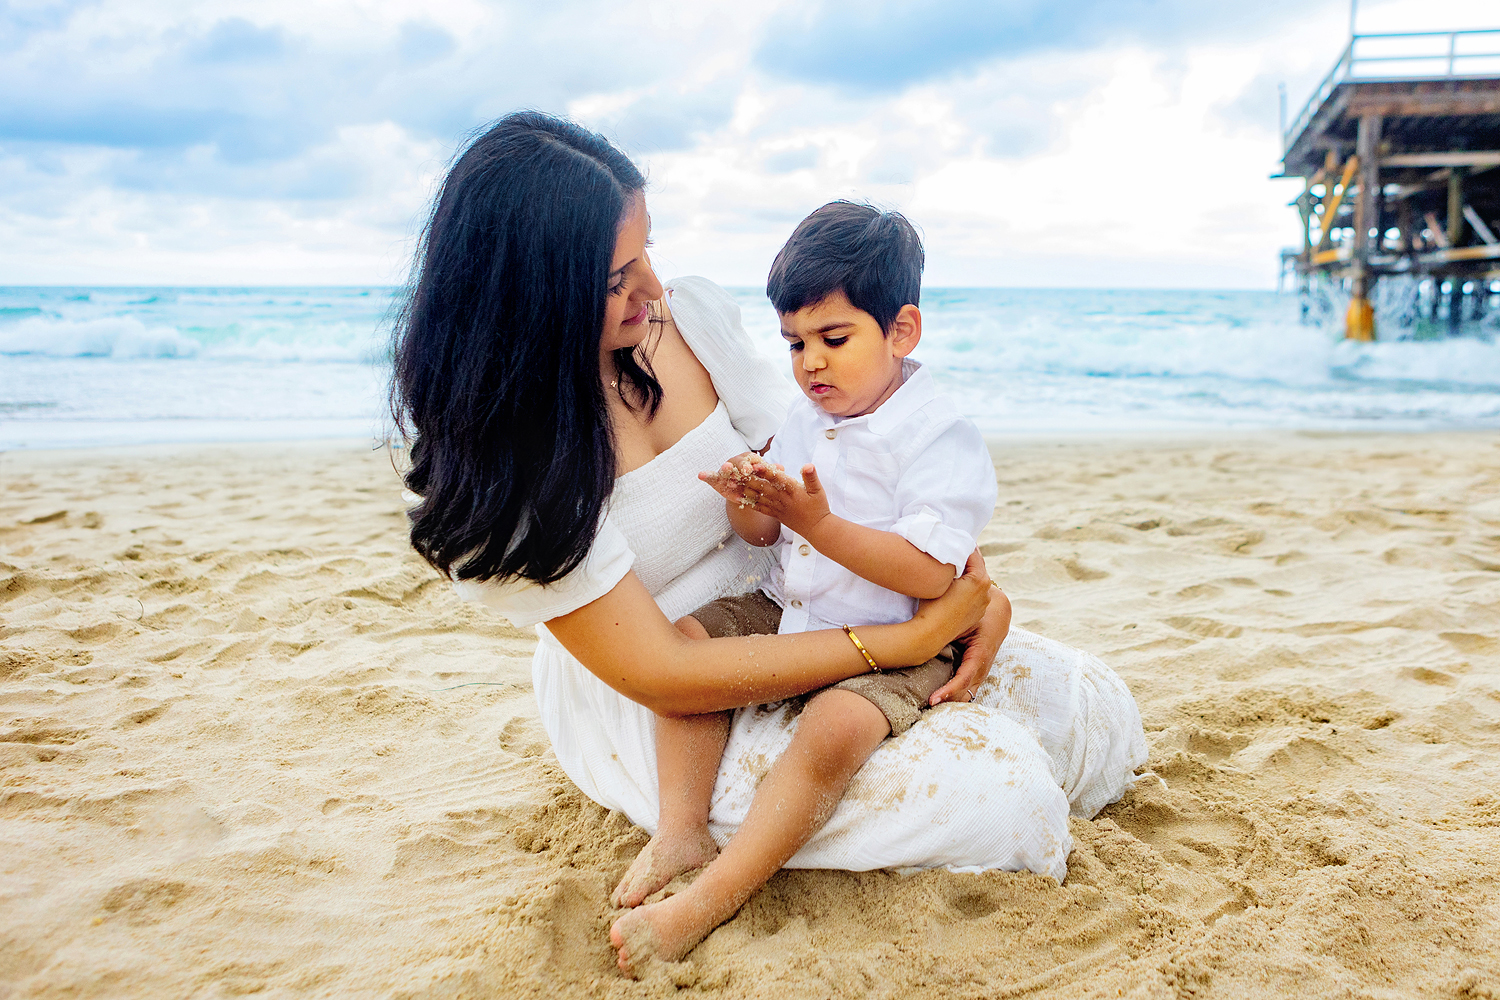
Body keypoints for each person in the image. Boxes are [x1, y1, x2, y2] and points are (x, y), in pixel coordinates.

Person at [389, 111, 1147, 978]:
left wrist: (968, 600)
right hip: (675, 685)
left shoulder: (685, 321)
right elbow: (663, 674)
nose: (653, 290)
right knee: (998, 794)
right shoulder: (505, 469)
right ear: (530, 298)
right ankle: (696, 853)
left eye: (647, 254)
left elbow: (828, 472)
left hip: (805, 593)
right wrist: (894, 642)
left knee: (1086, 706)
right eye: (614, 279)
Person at [610, 201, 1007, 966]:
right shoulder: (803, 416)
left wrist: (820, 526)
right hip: (790, 603)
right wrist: (747, 497)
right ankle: (682, 827)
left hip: (898, 631)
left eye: (833, 339)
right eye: (793, 343)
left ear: (901, 331)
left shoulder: (937, 433)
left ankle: (717, 893)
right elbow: (763, 536)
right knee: (689, 641)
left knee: (837, 729)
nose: (810, 363)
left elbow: (931, 570)